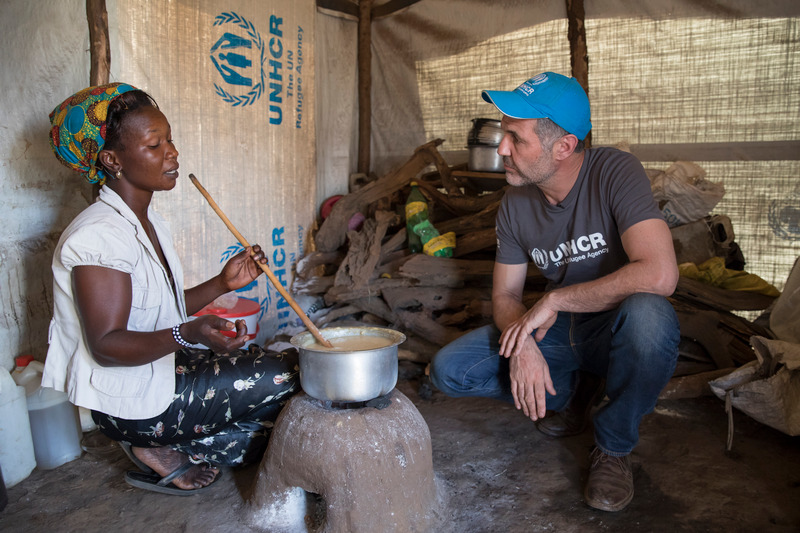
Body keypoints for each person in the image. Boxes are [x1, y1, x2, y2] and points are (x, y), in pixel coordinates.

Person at [430, 72, 680, 512]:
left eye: (515, 138)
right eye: (502, 134)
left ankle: (613, 447)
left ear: (563, 147)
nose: (501, 148)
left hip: (613, 327)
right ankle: (571, 390)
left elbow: (660, 274)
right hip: (558, 331)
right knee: (450, 370)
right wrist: (523, 342)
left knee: (650, 317)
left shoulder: (615, 172)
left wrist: (555, 299)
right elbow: (506, 296)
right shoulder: (515, 202)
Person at [43, 83, 300, 495]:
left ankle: (167, 446)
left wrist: (221, 284)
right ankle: (148, 439)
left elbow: (157, 309)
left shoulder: (147, 221)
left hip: (159, 373)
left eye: (170, 139)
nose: (172, 153)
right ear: (112, 160)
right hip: (129, 401)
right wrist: (191, 332)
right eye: (154, 144)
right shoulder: (97, 237)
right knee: (288, 372)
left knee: (277, 418)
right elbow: (107, 345)